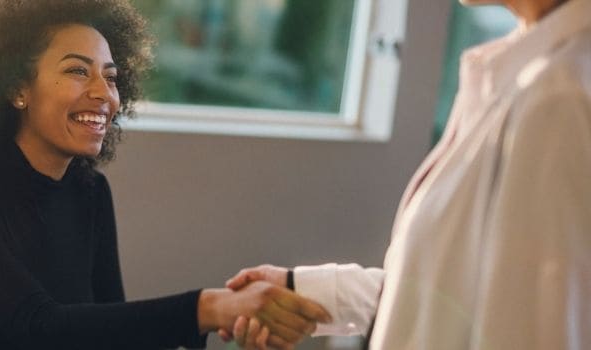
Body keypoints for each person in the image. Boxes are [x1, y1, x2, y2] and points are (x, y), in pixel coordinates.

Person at [0, 0, 330, 349]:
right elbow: (36, 328)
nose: (103, 94)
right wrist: (207, 308)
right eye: (76, 70)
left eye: (110, 77)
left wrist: (224, 325)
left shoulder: (88, 192)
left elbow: (108, 334)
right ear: (16, 88)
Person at [223, 0, 591, 348]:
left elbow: (537, 333)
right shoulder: (519, 74)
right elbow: (458, 294)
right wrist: (302, 289)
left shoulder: (560, 99)